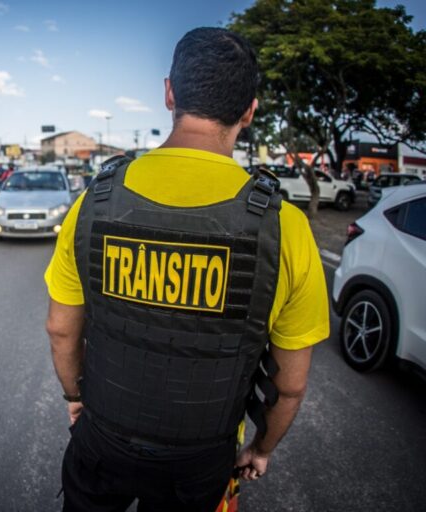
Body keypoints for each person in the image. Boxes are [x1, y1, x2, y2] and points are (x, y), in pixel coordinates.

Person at [44, 27, 329, 512]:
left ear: (170, 94)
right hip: (201, 459)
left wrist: (77, 396)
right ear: (249, 110)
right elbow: (290, 384)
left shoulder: (97, 199)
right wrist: (261, 449)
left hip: (103, 437)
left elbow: (61, 330)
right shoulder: (285, 227)